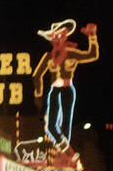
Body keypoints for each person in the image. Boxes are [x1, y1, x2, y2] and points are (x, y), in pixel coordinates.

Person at [33, 19, 99, 149]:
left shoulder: (71, 53)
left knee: (66, 123)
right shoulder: (48, 56)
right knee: (51, 125)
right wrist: (38, 93)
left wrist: (92, 37)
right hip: (54, 90)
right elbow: (37, 74)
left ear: (64, 36)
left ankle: (64, 150)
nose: (56, 39)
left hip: (68, 89)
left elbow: (92, 55)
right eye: (54, 36)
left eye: (59, 35)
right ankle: (62, 145)